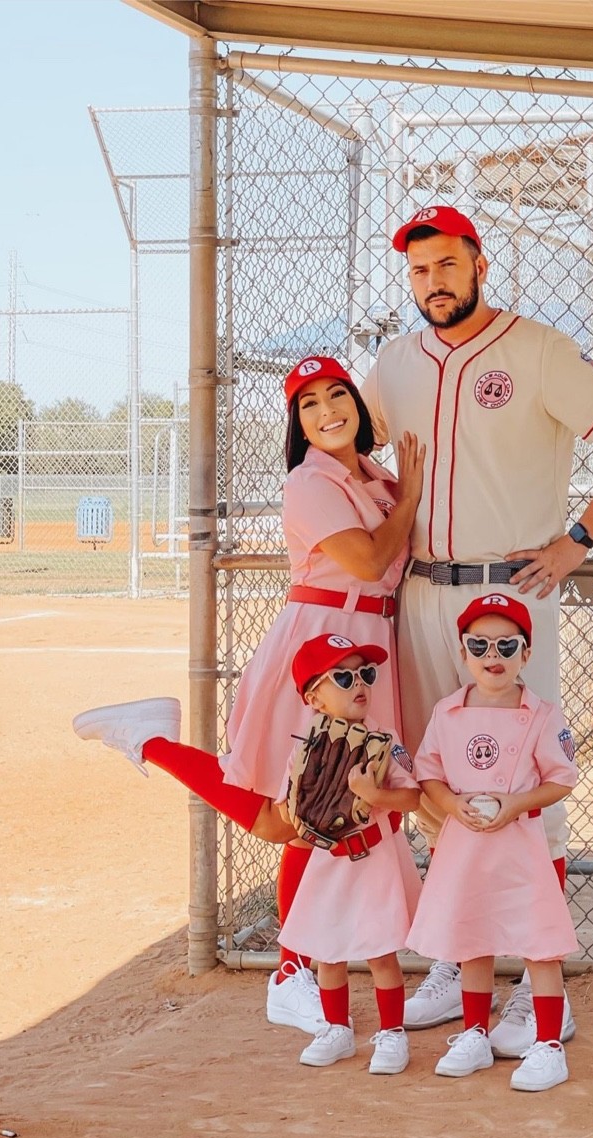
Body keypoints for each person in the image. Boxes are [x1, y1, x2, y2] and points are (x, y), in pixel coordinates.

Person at [361, 204, 593, 1047]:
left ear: (479, 264)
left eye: (448, 265)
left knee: (529, 787)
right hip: (421, 594)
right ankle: (460, 965)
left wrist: (578, 542)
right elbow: (341, 445)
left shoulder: (533, 349)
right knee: (437, 784)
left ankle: (540, 989)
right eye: (420, 271)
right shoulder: (393, 363)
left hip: (511, 596)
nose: (434, 282)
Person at [73, 355, 425, 1036]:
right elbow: (366, 560)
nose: (327, 411)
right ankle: (293, 967)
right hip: (323, 642)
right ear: (296, 424)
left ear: (356, 402)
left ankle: (151, 739)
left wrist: (400, 491)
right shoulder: (309, 481)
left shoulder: (376, 477)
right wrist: (410, 498)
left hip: (370, 642)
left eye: (336, 395)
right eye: (308, 404)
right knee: (299, 815)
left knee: (321, 812)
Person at [406, 594, 578, 1092]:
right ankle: (475, 1034)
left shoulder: (542, 714)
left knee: (540, 945)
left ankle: (547, 1045)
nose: (492, 654)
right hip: (467, 845)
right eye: (478, 644)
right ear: (464, 653)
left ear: (526, 653)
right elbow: (429, 772)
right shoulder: (448, 711)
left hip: (520, 848)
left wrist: (514, 803)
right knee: (471, 939)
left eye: (507, 644)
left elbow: (561, 778)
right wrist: (451, 806)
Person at [278, 633, 422, 1074]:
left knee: (380, 954)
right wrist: (298, 813)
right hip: (329, 861)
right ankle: (337, 1029)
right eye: (342, 676)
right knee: (328, 952)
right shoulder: (306, 749)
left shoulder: (385, 739)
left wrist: (371, 792)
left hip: (375, 859)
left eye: (366, 674)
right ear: (314, 698)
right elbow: (291, 811)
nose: (359, 683)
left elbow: (413, 798)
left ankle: (392, 1033)